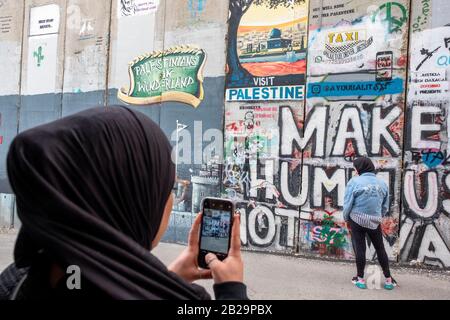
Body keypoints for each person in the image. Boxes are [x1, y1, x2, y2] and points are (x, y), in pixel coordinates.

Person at [0, 106, 247, 300]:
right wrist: (231, 289)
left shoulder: (17, 279)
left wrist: (164, 278)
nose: (170, 199)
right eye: (164, 188)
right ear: (127, 200)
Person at [343, 157, 397, 290]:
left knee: (360, 249)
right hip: (374, 221)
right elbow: (385, 206)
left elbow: (348, 203)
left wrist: (346, 219)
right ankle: (389, 280)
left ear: (360, 168)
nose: (354, 170)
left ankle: (360, 279)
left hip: (357, 220)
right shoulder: (382, 183)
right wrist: (378, 217)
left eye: (355, 167)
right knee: (380, 248)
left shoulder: (354, 182)